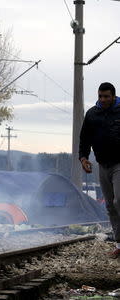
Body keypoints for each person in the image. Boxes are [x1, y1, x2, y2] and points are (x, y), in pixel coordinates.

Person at [79, 82, 120, 258]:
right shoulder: (92, 114)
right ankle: (119, 243)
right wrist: (83, 158)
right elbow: (84, 139)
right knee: (110, 206)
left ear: (113, 96)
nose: (103, 100)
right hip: (103, 164)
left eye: (106, 96)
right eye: (100, 96)